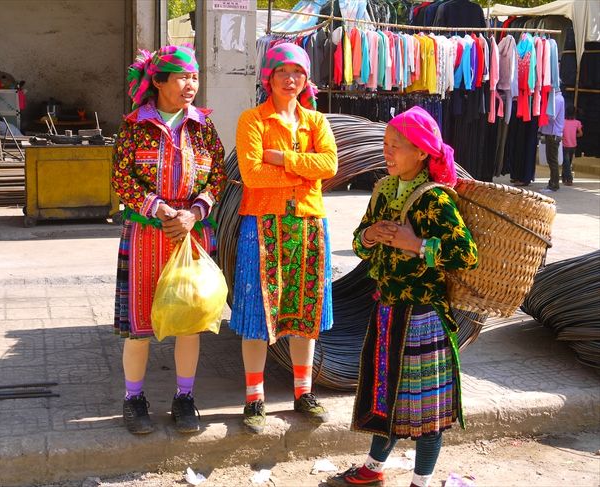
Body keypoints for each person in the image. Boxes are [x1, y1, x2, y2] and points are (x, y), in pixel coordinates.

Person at [328, 106, 478, 487]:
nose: (387, 152)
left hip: (423, 317)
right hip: (387, 312)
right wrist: (369, 236)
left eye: (396, 146)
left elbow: (466, 254)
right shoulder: (382, 191)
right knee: (386, 397)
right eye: (385, 144)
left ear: (423, 152)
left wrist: (418, 245)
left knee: (428, 406)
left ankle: (421, 481)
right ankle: (373, 468)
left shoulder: (436, 201)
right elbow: (358, 243)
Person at [111, 44, 226, 435]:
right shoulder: (134, 126)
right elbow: (122, 178)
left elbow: (218, 177)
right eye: (181, 77)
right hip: (147, 233)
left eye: (194, 77)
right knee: (139, 325)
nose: (190, 84)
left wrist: (194, 214)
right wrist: (162, 211)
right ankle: (134, 399)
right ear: (158, 81)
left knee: (189, 322)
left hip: (191, 235)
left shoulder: (203, 126)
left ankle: (185, 398)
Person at [230, 42, 338, 434]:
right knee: (258, 314)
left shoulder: (316, 121)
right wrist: (303, 171)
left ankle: (303, 392)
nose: (291, 79)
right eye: (282, 72)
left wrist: (283, 159)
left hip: (309, 223)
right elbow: (253, 175)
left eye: (298, 73)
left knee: (305, 313)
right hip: (262, 225)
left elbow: (329, 164)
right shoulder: (252, 120)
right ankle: (254, 398)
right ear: (268, 78)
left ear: (306, 80)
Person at [540, 88, 565, 192]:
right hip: (551, 133)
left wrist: (543, 111)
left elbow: (551, 116)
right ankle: (553, 182)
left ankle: (554, 184)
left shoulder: (557, 99)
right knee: (551, 160)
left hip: (553, 134)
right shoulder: (557, 98)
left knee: (552, 160)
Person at [561, 105, 583, 186]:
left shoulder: (563, 122)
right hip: (573, 145)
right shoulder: (577, 122)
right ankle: (564, 177)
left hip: (565, 145)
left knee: (566, 162)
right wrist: (574, 136)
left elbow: (560, 132)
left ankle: (569, 179)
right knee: (568, 162)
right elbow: (580, 133)